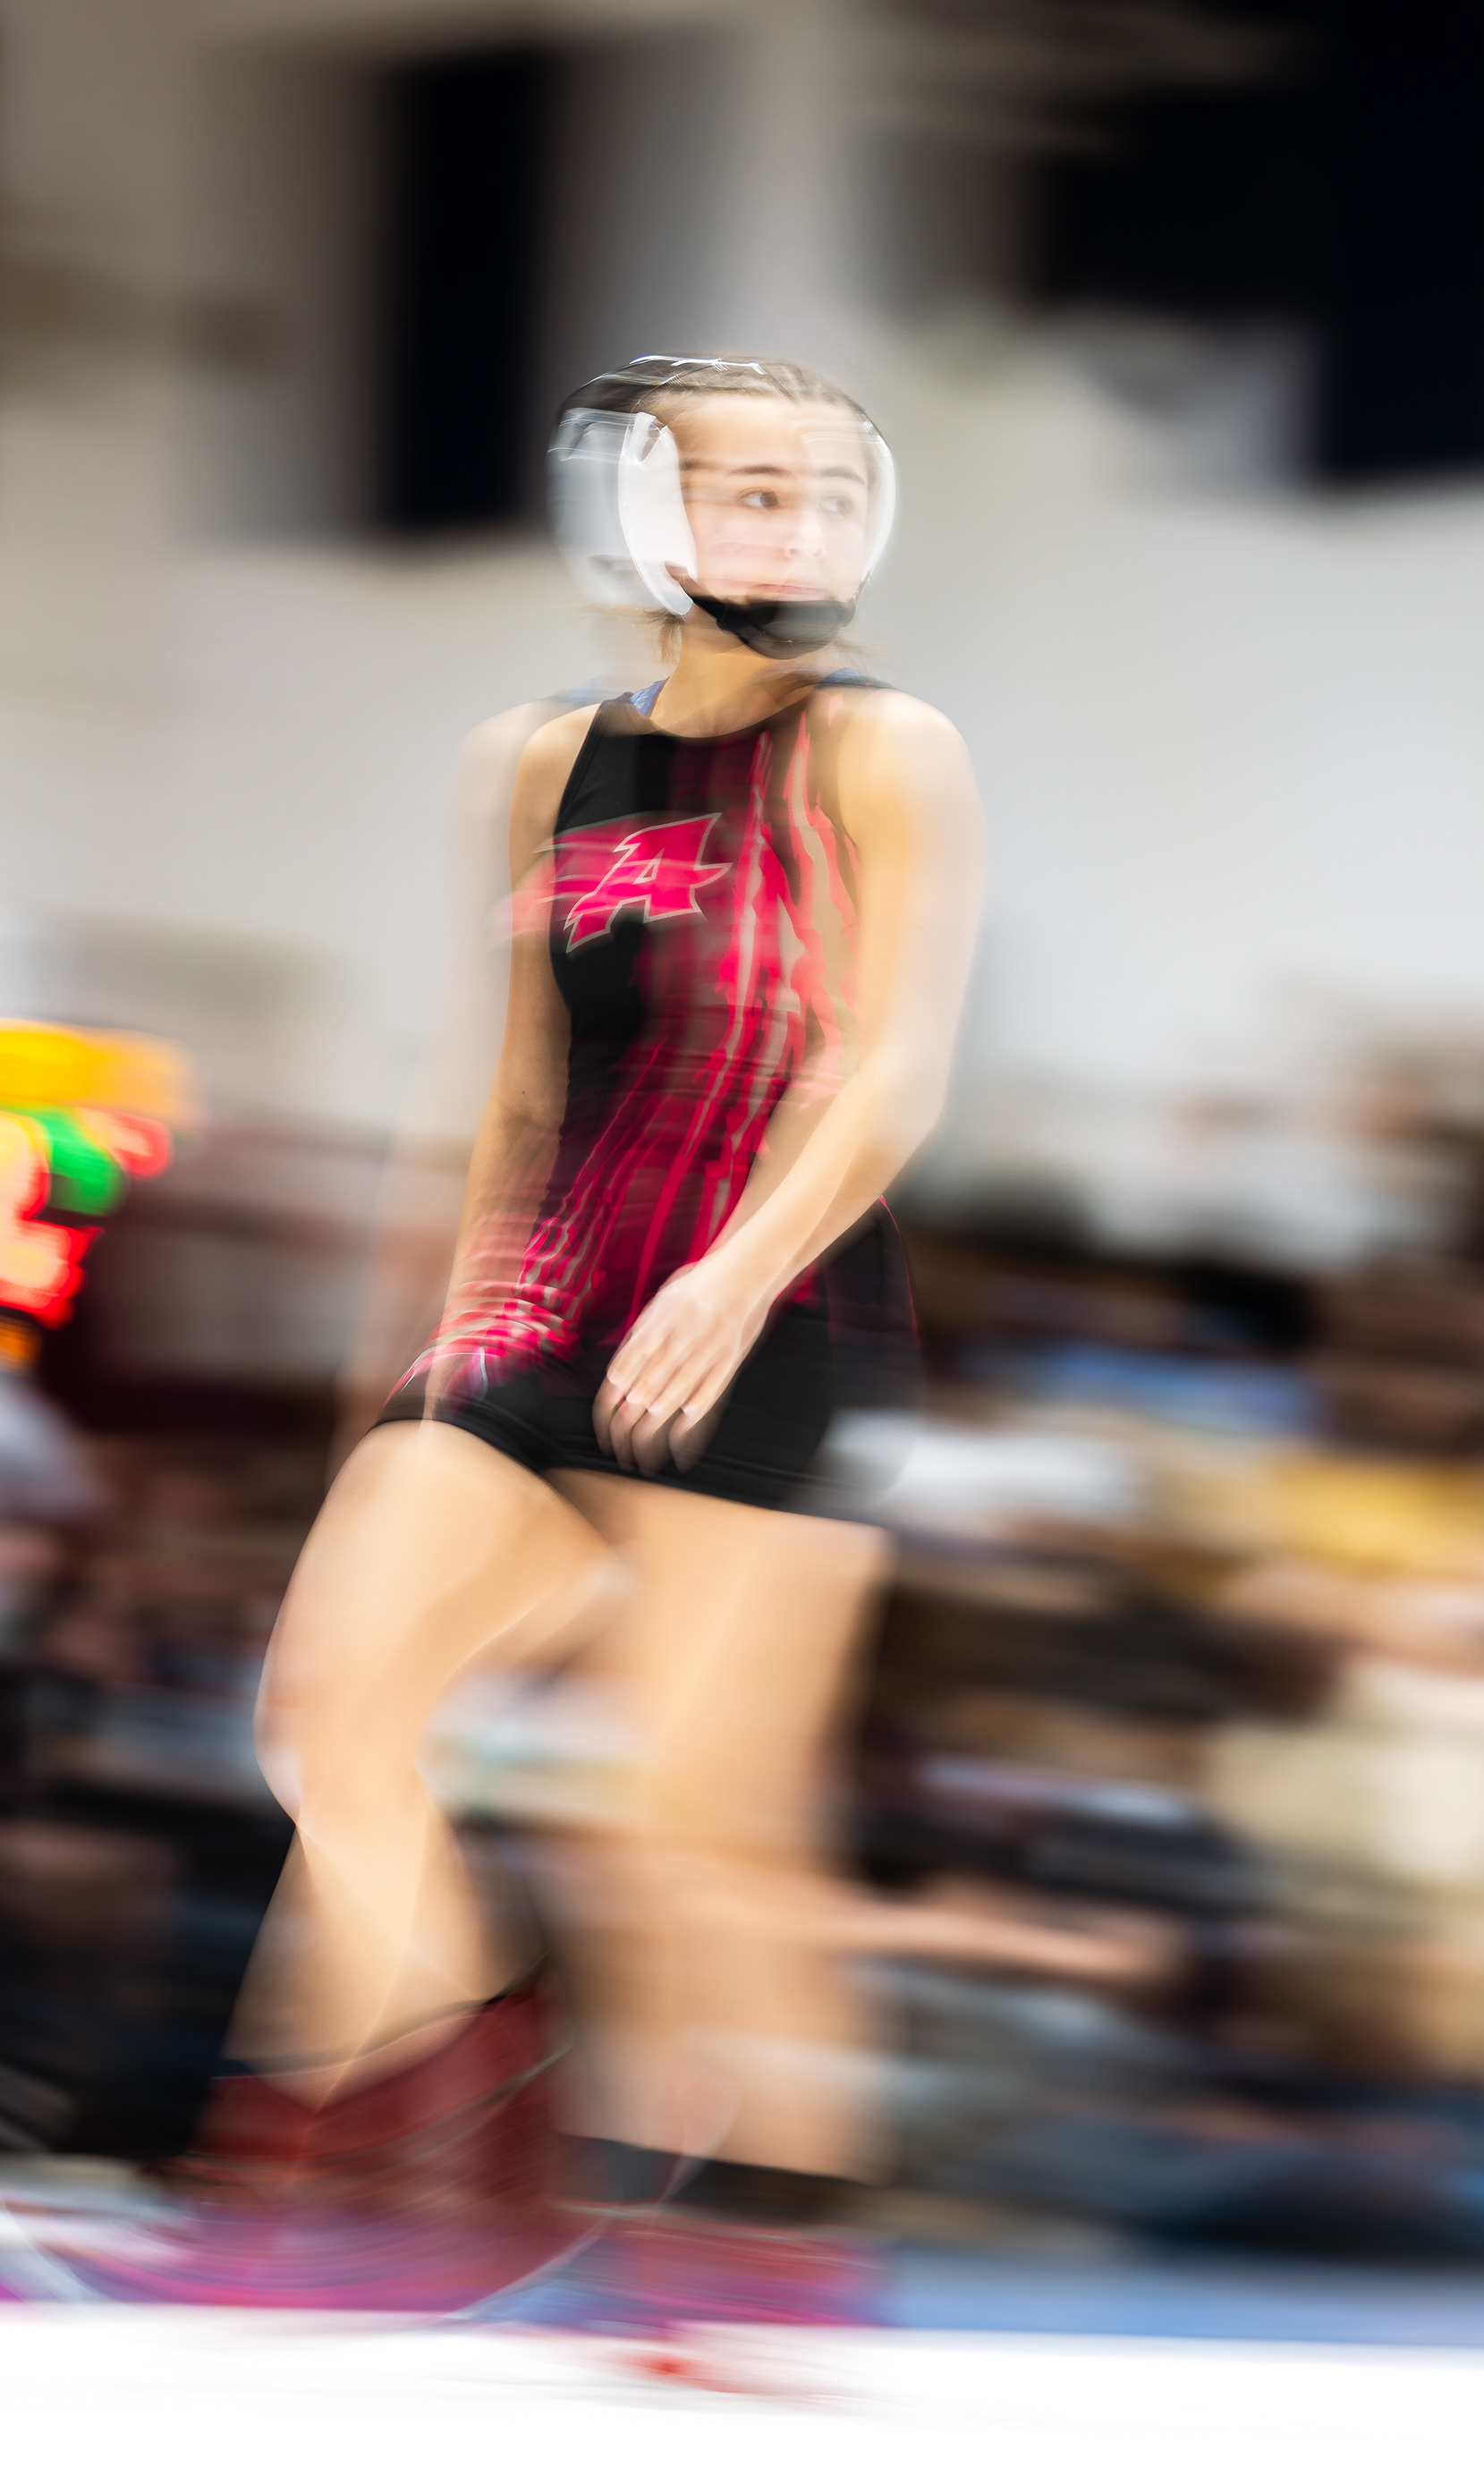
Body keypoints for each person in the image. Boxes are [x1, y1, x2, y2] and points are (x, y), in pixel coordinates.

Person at [47, 355, 986, 2310]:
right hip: (549, 1296)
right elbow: (511, 1082)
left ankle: (764, 2269)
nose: (802, 526)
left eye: (831, 489)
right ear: (634, 506)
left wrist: (733, 1272)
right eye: (752, 488)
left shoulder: (886, 750)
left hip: (776, 1314)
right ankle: (431, 2129)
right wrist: (417, 1331)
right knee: (329, 1722)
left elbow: (891, 1069)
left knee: (698, 1828)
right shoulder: (536, 763)